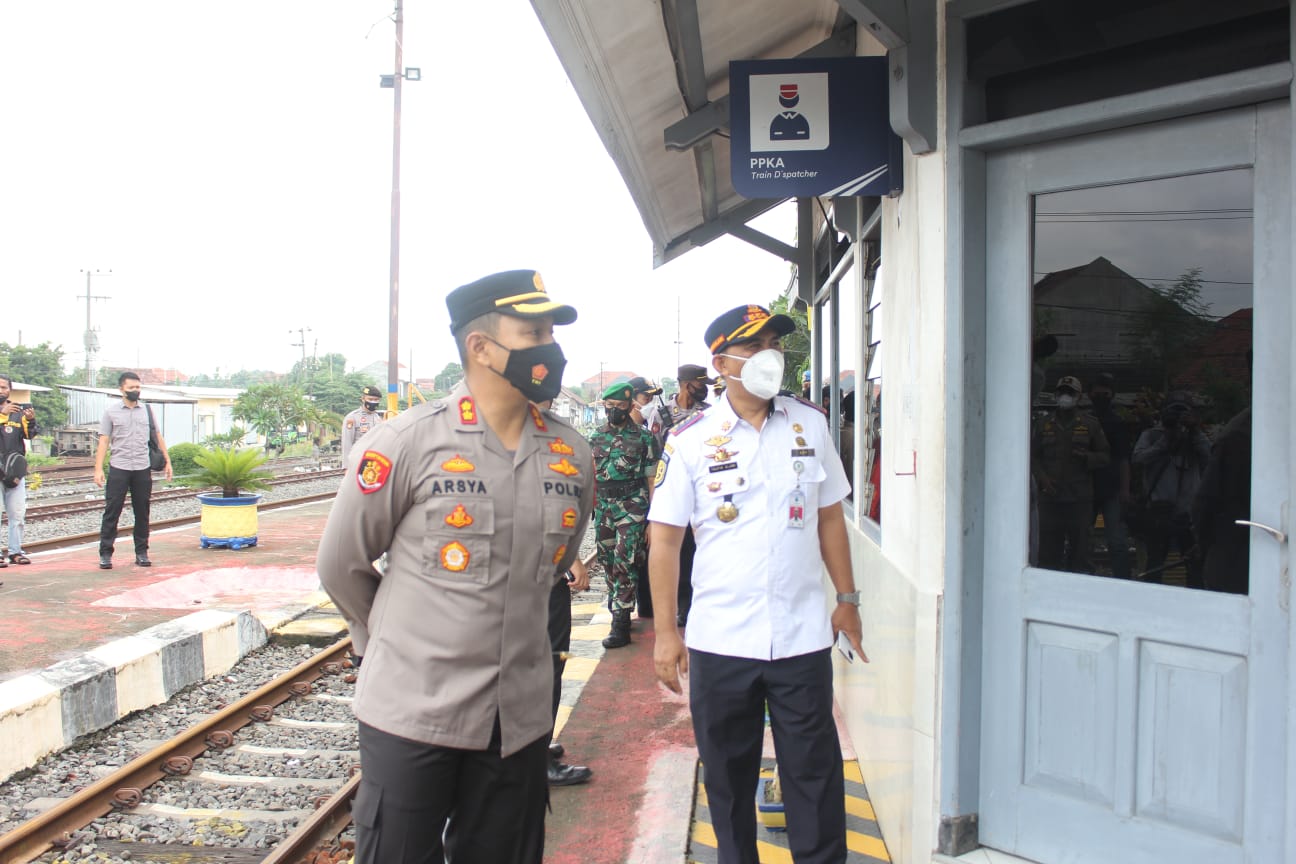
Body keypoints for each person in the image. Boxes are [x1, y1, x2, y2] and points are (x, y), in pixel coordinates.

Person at [317, 269, 593, 864]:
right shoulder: (406, 442)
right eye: (534, 330)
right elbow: (341, 563)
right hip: (413, 710)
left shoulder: (573, 454)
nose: (551, 347)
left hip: (518, 720)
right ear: (481, 347)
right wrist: (390, 641)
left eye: (551, 330)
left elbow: (552, 571)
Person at [648, 304, 866, 864]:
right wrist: (666, 633)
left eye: (775, 343)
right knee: (727, 777)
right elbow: (665, 540)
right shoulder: (691, 439)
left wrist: (846, 599)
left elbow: (827, 519)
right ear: (721, 363)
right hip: (721, 642)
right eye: (755, 346)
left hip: (801, 638)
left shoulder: (809, 422)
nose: (772, 355)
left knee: (815, 775)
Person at [589, 380, 660, 649]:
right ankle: (618, 602)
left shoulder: (644, 438)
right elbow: (589, 477)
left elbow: (652, 480)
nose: (615, 410)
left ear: (630, 406)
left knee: (625, 559)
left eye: (620, 406)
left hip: (632, 505)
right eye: (610, 406)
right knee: (607, 559)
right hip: (605, 506)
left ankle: (620, 621)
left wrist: (653, 519)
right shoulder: (595, 437)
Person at [647, 363, 714, 626]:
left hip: (704, 492)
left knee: (704, 549)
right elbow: (654, 458)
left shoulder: (709, 414)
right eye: (701, 385)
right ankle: (683, 605)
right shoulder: (661, 415)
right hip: (673, 492)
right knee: (680, 551)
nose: (705, 390)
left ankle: (702, 602)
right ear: (687, 384)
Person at [1031, 375, 1110, 574]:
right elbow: (1032, 456)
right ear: (1056, 395)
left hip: (1079, 499)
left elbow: (1105, 456)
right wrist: (1042, 478)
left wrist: (1088, 458)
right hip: (1050, 499)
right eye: (1062, 392)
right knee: (1049, 554)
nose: (1065, 396)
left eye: (1070, 393)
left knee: (1080, 554)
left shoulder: (1090, 424)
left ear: (1079, 396)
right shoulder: (1043, 424)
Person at [1132, 390, 1210, 587]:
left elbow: (1210, 458)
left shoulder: (1195, 439)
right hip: (1159, 511)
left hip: (1188, 513)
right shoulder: (1151, 435)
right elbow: (1138, 459)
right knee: (1155, 565)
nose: (1178, 416)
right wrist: (1164, 441)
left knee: (1194, 567)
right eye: (1173, 411)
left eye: (1183, 412)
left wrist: (1195, 431)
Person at [94, 372, 172, 570]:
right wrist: (98, 469)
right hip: (119, 467)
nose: (135, 391)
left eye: (138, 387)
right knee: (112, 511)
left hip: (141, 468)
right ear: (121, 389)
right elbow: (104, 440)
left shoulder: (146, 410)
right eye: (131, 388)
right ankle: (105, 553)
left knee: (142, 512)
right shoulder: (111, 412)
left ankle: (142, 552)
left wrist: (168, 461)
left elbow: (157, 436)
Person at [548, 556, 594, 785]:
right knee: (549, 663)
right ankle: (536, 759)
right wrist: (570, 557)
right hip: (542, 570)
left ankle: (533, 747)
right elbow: (548, 520)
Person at [1087, 373, 1131, 579]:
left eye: (1105, 393)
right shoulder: (1084, 420)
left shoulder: (1117, 423)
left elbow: (1124, 458)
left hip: (1111, 488)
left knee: (1117, 541)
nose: (1101, 397)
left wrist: (1125, 489)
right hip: (1086, 487)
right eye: (1098, 393)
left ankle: (1122, 581)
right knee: (1084, 540)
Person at [0, 376, 39, 568]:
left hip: (14, 468)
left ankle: (16, 551)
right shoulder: (6, 412)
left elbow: (30, 435)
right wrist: (2, 415)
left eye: (4, 387)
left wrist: (31, 420)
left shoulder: (17, 412)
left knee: (17, 513)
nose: (1, 390)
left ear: (10, 390)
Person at [340, 384, 386, 465]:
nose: (373, 402)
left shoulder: (378, 419)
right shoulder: (352, 418)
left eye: (376, 400)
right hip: (358, 462)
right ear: (363, 399)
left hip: (375, 462)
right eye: (370, 399)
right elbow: (347, 443)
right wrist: (347, 466)